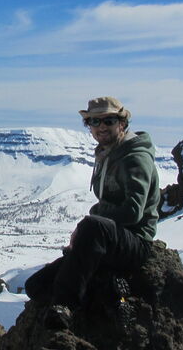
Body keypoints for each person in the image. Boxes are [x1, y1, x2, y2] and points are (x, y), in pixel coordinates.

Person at [25, 96, 160, 328]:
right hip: (109, 240)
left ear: (122, 123)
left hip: (135, 243)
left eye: (107, 121)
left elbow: (133, 212)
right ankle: (101, 291)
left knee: (91, 226)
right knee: (35, 286)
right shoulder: (108, 153)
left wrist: (90, 225)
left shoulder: (134, 157)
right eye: (93, 122)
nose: (100, 127)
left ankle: (65, 307)